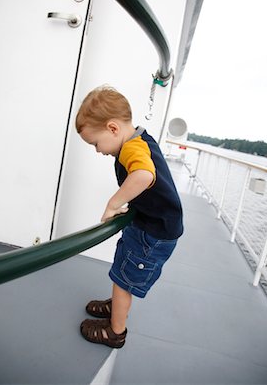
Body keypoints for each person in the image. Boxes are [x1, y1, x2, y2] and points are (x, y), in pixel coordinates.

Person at [75, 86, 183, 348]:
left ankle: (115, 332)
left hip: (155, 233)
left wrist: (113, 204)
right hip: (147, 223)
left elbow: (144, 176)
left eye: (95, 143)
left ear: (113, 129)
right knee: (124, 267)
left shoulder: (131, 149)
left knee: (124, 280)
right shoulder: (139, 139)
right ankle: (117, 305)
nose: (97, 151)